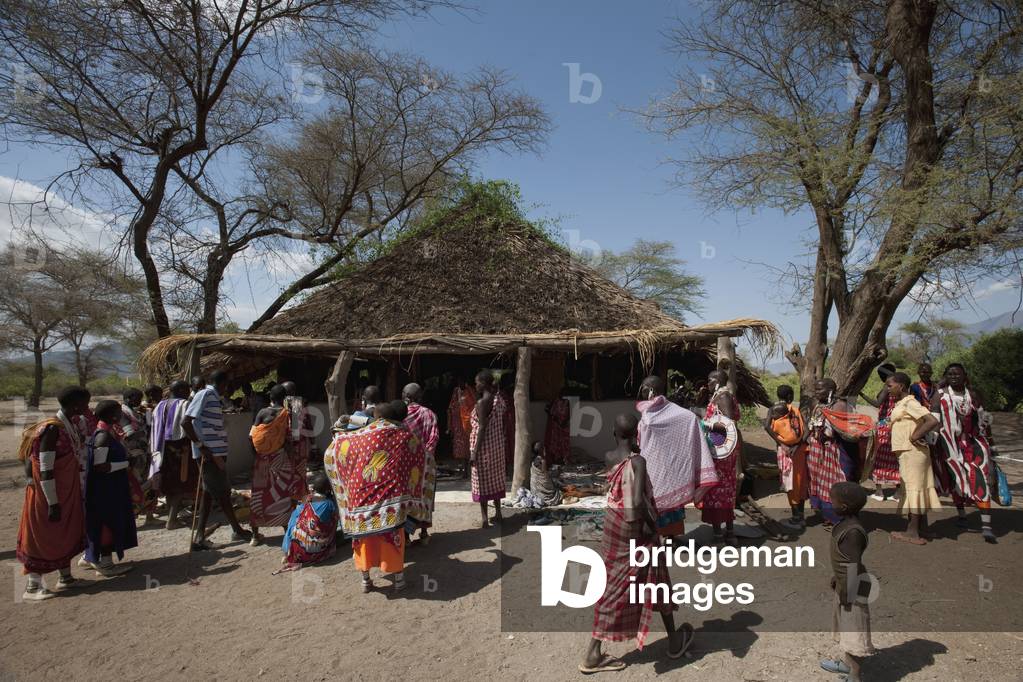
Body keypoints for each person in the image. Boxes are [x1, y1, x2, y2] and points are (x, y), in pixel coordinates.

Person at [581, 412, 694, 673]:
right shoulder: (638, 461)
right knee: (651, 582)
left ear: (613, 433)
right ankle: (673, 642)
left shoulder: (610, 457)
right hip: (635, 528)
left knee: (617, 584)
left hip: (613, 526)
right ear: (637, 434)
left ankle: (596, 651)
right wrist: (655, 527)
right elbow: (638, 502)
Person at [324, 400, 425, 592]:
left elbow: (336, 440)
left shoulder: (356, 437)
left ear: (376, 417)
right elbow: (421, 454)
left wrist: (346, 419)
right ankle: (399, 579)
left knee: (362, 540)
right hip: (391, 502)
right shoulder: (403, 435)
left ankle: (366, 580)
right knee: (393, 535)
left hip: (359, 498)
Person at [15, 386, 91, 600]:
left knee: (64, 533)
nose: (87, 407)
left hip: (65, 491)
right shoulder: (52, 429)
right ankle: (33, 586)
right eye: (85, 403)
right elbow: (45, 469)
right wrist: (53, 502)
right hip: (48, 494)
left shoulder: (69, 426)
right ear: (76, 405)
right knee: (42, 536)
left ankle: (65, 577)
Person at [635, 375, 718, 538]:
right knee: (664, 502)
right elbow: (689, 418)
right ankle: (666, 537)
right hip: (664, 465)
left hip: (663, 466)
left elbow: (689, 419)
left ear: (651, 390)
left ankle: (665, 538)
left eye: (643, 388)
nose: (641, 391)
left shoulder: (656, 415)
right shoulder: (659, 411)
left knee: (660, 503)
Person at [183, 370, 251, 550]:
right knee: (223, 493)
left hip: (215, 453)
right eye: (227, 385)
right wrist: (201, 446)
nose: (227, 389)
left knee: (208, 494)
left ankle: (199, 537)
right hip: (210, 455)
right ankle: (237, 530)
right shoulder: (205, 394)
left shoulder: (213, 397)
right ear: (222, 383)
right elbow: (186, 422)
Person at [931, 363, 997, 543]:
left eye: (957, 373)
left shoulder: (973, 394)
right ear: (946, 376)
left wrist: (992, 444)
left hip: (975, 444)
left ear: (964, 375)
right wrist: (932, 437)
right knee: (956, 479)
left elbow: (984, 420)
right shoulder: (940, 395)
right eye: (950, 374)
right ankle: (961, 516)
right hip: (950, 445)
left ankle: (987, 527)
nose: (954, 376)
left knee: (980, 480)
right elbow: (934, 419)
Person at [819, 482, 874, 682]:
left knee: (855, 633)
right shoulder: (844, 524)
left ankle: (855, 675)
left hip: (853, 591)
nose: (829, 501)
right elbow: (843, 562)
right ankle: (847, 665)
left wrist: (848, 594)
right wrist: (837, 578)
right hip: (845, 586)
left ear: (843, 507)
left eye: (832, 499)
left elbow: (853, 564)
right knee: (846, 629)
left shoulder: (853, 532)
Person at [807, 379, 872, 528]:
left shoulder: (840, 405)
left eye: (819, 390)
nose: (816, 392)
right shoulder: (817, 405)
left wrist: (828, 432)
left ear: (830, 390)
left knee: (840, 483)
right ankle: (829, 516)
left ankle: (843, 519)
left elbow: (845, 430)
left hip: (836, 451)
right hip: (820, 451)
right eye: (815, 389)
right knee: (821, 483)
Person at [885, 372, 941, 545]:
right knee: (918, 488)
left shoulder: (910, 402)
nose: (887, 389)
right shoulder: (902, 403)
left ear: (901, 386)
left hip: (912, 452)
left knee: (913, 488)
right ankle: (922, 527)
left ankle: (912, 532)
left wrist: (914, 436)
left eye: (890, 385)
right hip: (909, 452)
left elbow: (931, 420)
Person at [83, 400, 138, 576]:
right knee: (108, 522)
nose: (121, 415)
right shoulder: (102, 436)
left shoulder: (107, 432)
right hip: (106, 488)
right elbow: (101, 466)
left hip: (111, 485)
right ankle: (105, 564)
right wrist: (126, 464)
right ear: (112, 415)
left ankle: (90, 557)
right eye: (118, 412)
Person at [248, 384, 306, 546]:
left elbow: (251, 436)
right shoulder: (288, 413)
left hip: (261, 459)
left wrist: (257, 457)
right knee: (279, 493)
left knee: (258, 495)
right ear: (285, 398)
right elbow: (295, 436)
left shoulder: (261, 412)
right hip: (280, 458)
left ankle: (255, 535)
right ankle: (286, 532)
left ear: (270, 397)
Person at [149, 380, 199, 530]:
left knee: (169, 485)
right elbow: (188, 425)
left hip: (162, 451)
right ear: (183, 390)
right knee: (180, 484)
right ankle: (172, 520)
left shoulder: (159, 406)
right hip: (180, 451)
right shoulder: (184, 404)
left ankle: (173, 516)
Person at [701, 370, 742, 545]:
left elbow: (728, 422)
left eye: (710, 380)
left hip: (721, 452)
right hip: (721, 448)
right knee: (725, 490)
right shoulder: (721, 396)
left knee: (718, 489)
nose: (708, 383)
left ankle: (721, 535)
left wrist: (705, 424)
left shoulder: (723, 397)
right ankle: (729, 533)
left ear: (717, 381)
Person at [764, 384, 809, 527]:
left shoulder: (773, 410)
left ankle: (796, 517)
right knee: (800, 482)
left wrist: (782, 444)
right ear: (790, 396)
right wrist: (796, 445)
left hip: (785, 452)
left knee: (790, 483)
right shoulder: (795, 410)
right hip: (799, 450)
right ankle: (800, 515)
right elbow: (807, 430)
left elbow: (766, 426)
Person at [278, 471, 339, 571]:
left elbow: (293, 525)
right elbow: (333, 525)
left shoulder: (305, 500)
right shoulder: (329, 504)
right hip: (314, 550)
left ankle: (287, 553)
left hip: (295, 550)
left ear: (313, 488)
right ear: (329, 489)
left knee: (295, 518)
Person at [470, 370, 508, 528]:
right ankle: (498, 513)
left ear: (484, 384)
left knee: (482, 481)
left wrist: (474, 453)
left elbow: (482, 428)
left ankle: (485, 519)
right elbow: (503, 422)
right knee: (496, 479)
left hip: (483, 448)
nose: (475, 385)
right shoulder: (499, 399)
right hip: (497, 447)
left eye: (477, 382)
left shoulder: (481, 403)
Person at [403, 383, 439, 544]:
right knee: (425, 499)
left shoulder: (401, 414)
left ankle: (406, 536)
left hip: (407, 465)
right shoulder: (429, 414)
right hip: (427, 463)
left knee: (408, 500)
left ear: (407, 397)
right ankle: (423, 533)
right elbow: (434, 438)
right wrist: (425, 456)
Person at [859, 364, 899, 502]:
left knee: (878, 457)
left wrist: (862, 394)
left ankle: (879, 492)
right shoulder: (900, 386)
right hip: (895, 424)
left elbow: (877, 404)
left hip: (883, 426)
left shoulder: (886, 387)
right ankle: (897, 493)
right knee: (895, 459)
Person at [118, 387, 157, 524]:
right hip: (133, 454)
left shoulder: (135, 412)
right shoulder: (122, 413)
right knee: (135, 486)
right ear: (128, 398)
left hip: (142, 453)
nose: (139, 401)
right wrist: (147, 429)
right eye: (137, 398)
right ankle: (134, 516)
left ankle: (149, 515)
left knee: (146, 484)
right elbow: (129, 434)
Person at [448, 374, 476, 478]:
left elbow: (474, 404)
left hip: (468, 423)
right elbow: (451, 406)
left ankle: (468, 470)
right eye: (458, 382)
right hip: (458, 423)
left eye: (462, 382)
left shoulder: (470, 391)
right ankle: (462, 469)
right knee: (458, 447)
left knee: (468, 445)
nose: (460, 384)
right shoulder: (456, 391)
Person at [543, 388, 571, 467]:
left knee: (564, 443)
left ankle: (563, 459)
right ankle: (555, 459)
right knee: (555, 443)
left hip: (564, 426)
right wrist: (554, 418)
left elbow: (568, 414)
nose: (564, 395)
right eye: (563, 393)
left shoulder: (567, 402)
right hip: (555, 426)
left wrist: (564, 422)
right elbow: (546, 409)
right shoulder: (554, 401)